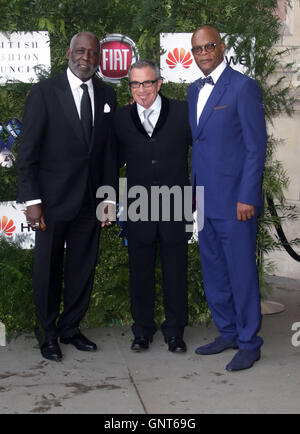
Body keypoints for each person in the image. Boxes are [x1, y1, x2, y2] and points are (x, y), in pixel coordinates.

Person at [17, 32, 117, 362]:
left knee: (81, 269)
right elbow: (28, 151)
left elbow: (107, 154)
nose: (86, 57)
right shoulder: (44, 92)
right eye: (80, 51)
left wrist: (108, 199)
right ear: (68, 53)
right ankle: (47, 334)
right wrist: (32, 201)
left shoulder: (106, 94)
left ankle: (70, 328)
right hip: (51, 202)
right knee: (48, 270)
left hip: (90, 202)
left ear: (99, 58)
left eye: (92, 52)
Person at [188, 25, 267, 371]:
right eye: (197, 49)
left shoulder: (243, 87)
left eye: (209, 46)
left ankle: (250, 342)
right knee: (215, 271)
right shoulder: (193, 91)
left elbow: (255, 146)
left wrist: (248, 195)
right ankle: (229, 332)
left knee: (241, 272)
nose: (203, 53)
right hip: (204, 200)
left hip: (237, 203)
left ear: (221, 47)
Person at [114, 60, 192, 353]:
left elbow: (200, 155)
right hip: (138, 206)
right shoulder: (120, 118)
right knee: (140, 271)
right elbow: (111, 160)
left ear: (159, 84)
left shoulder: (183, 112)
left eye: (148, 83)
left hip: (176, 203)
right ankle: (142, 331)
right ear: (130, 87)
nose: (142, 90)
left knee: (176, 272)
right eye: (136, 84)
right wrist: (106, 202)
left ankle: (175, 332)